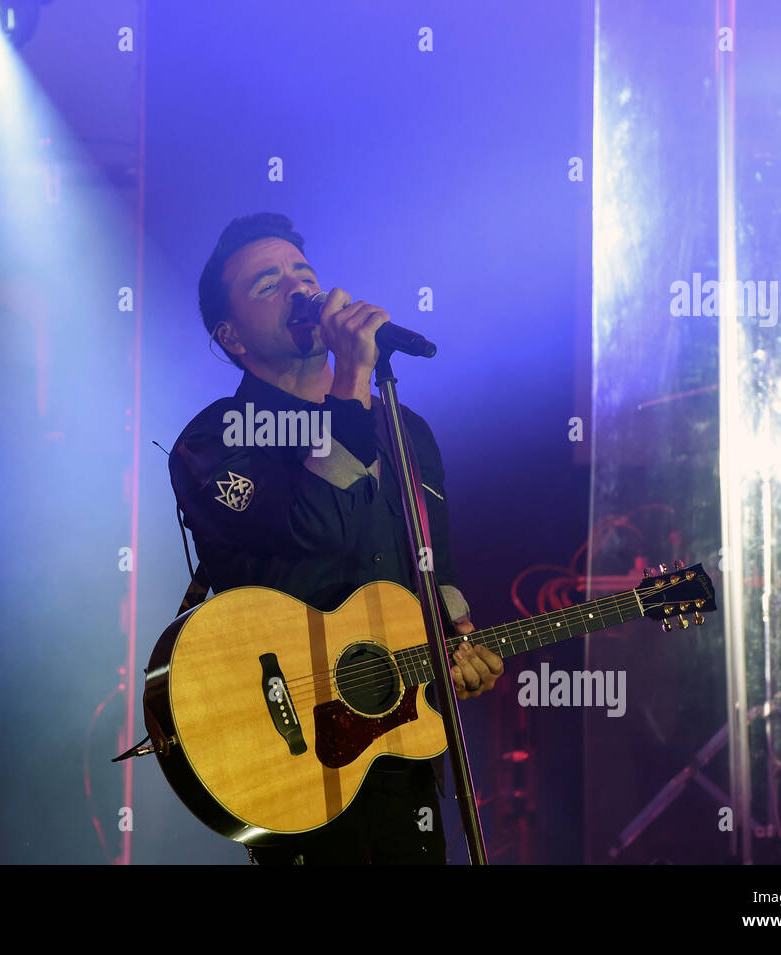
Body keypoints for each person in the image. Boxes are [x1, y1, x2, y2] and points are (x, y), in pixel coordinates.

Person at [168, 212, 503, 864]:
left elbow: (437, 577)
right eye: (269, 284)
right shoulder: (217, 439)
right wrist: (352, 379)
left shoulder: (407, 430)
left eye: (304, 274)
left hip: (402, 754)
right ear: (229, 335)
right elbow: (318, 521)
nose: (299, 291)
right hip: (293, 761)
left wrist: (461, 647)